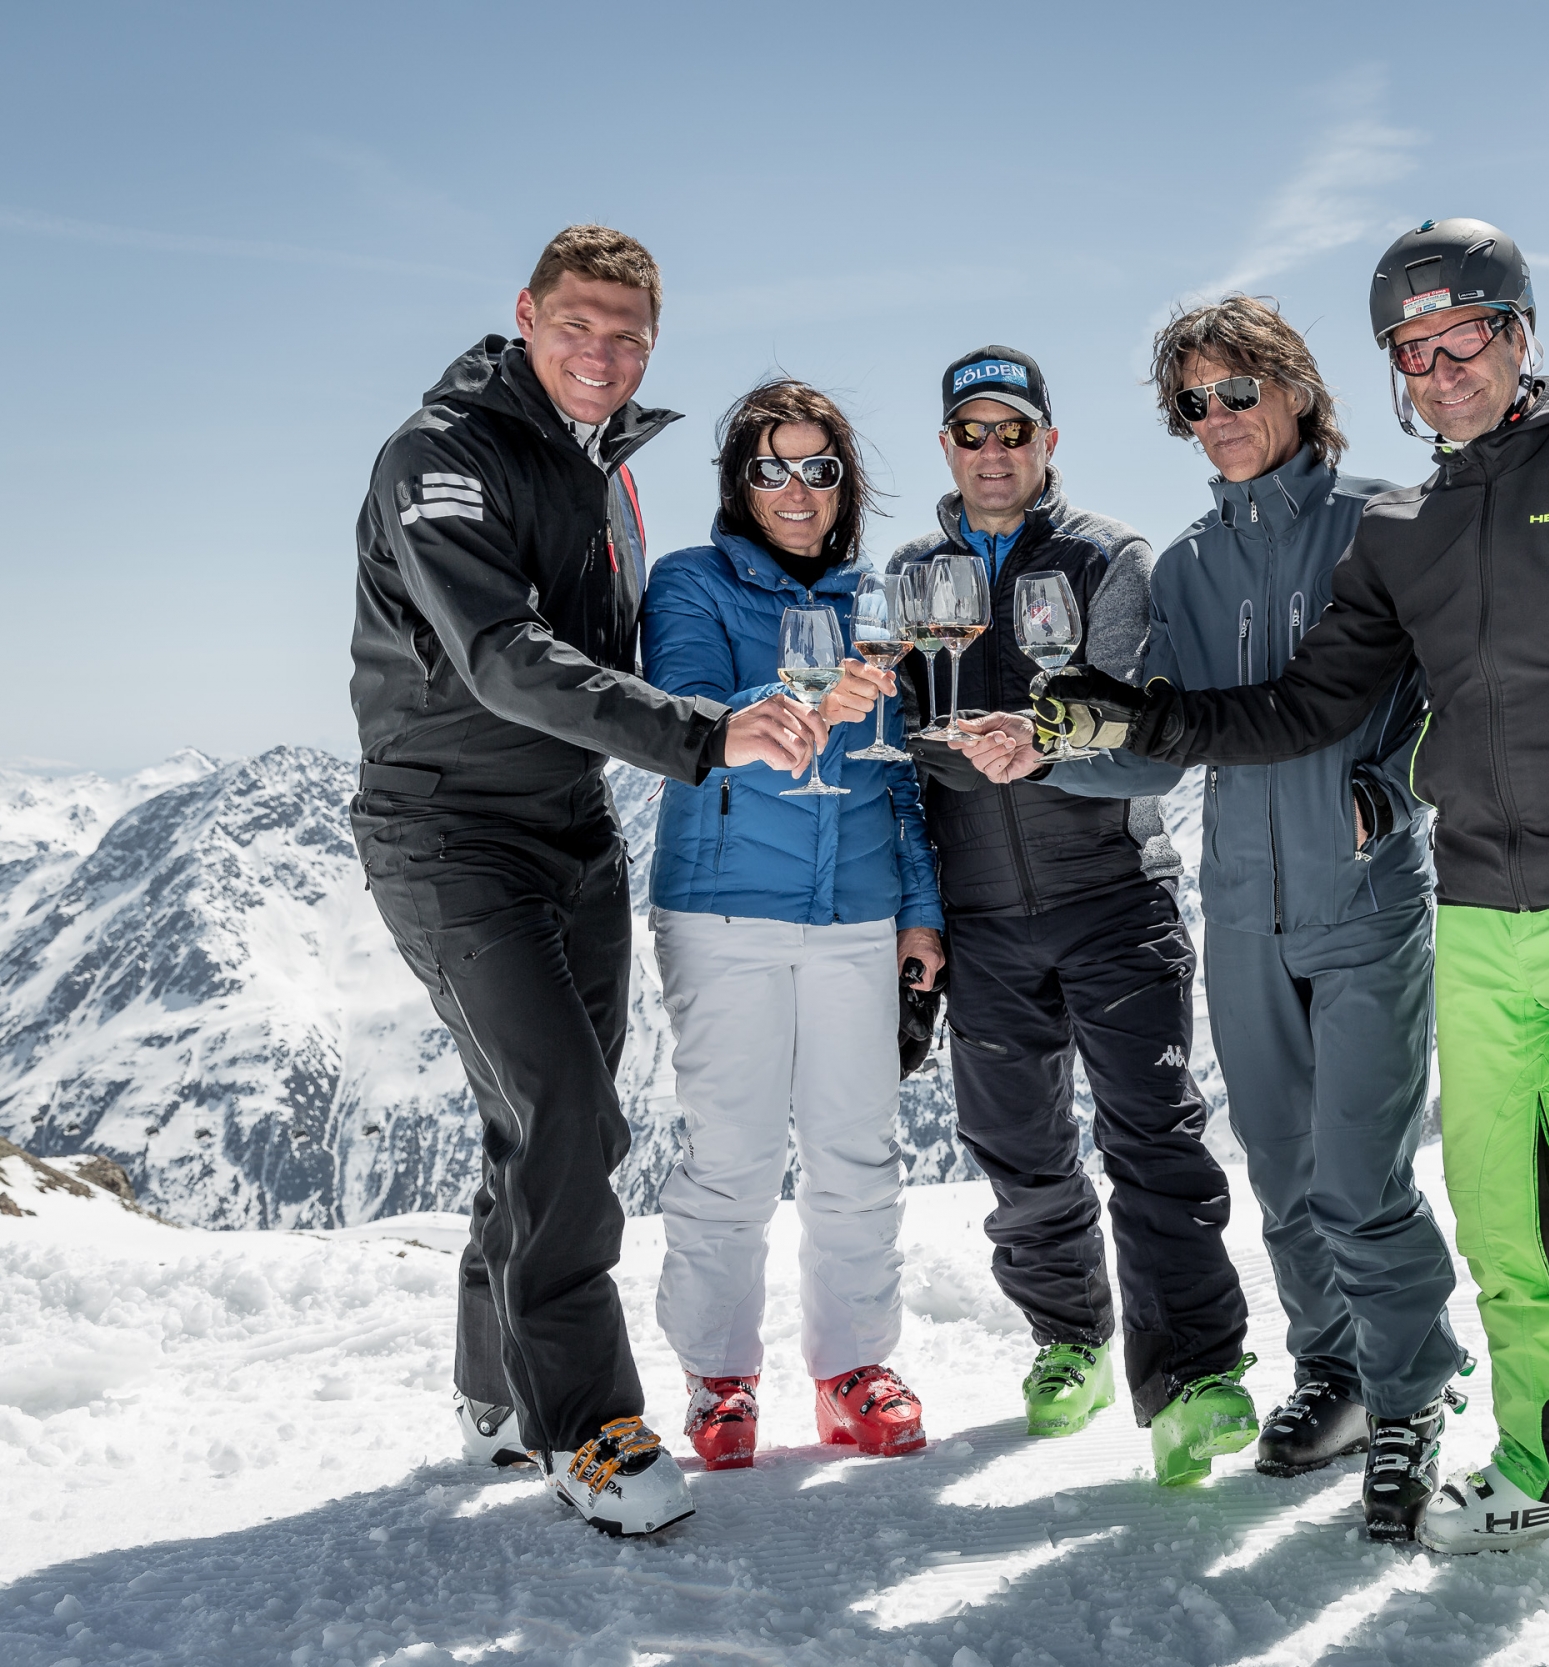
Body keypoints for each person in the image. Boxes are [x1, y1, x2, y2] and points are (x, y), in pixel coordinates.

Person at [1029, 219, 1549, 1640]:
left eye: (1460, 337)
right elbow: (1303, 702)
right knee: (1504, 1218)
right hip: (1478, 908)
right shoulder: (1404, 531)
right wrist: (1138, 717)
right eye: (1413, 352)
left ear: (1519, 328)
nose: (1439, 369)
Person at [350, 225, 844, 1538]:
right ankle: (587, 1422)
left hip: (570, 829)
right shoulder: (438, 455)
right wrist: (700, 739)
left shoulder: (605, 476)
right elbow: (502, 660)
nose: (604, 353)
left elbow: (616, 664)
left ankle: (495, 1386)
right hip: (447, 835)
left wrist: (759, 697)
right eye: (579, 325)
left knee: (549, 1122)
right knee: (564, 1108)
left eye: (630, 335)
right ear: (526, 315)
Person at [951, 298, 1467, 1540]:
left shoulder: (1383, 524)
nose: (1218, 420)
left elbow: (1460, 690)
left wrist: (1389, 786)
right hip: (1240, 903)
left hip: (1360, 896)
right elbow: (1153, 753)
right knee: (1284, 1177)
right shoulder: (1183, 566)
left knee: (1361, 1177)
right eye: (1193, 402)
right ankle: (1333, 1375)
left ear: (1295, 388)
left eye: (1238, 391)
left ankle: (1410, 1398)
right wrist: (1047, 754)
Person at [892, 346, 1254, 1486]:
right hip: (981, 910)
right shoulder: (911, 571)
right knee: (1019, 1148)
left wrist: (1036, 747)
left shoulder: (1106, 558)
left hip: (1110, 895)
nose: (992, 452)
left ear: (1048, 441)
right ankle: (1069, 1341)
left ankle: (1194, 1375)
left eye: (1014, 431)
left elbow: (1141, 745)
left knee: (1153, 1134)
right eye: (970, 432)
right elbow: (892, 750)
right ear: (945, 446)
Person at [639, 379, 946, 1472]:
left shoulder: (882, 599)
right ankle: (717, 1377)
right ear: (740, 481)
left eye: (818, 466)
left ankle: (853, 1366)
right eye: (771, 466)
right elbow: (692, 714)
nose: (796, 488)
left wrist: (920, 909)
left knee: (858, 1151)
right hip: (725, 905)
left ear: (843, 481)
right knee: (732, 1155)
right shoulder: (691, 583)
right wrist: (814, 700)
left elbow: (895, 777)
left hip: (859, 910)